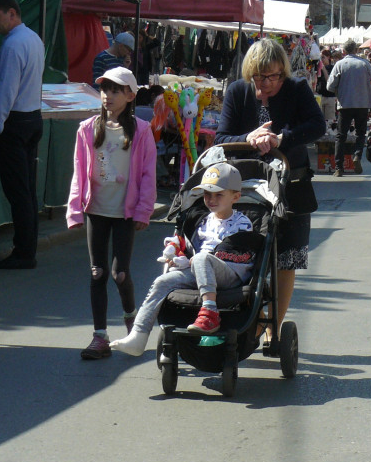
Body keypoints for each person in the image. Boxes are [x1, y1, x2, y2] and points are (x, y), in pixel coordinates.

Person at [216, 38, 325, 341]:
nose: (266, 83)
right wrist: (248, 137)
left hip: (292, 185)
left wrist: (280, 138)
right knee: (242, 253)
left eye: (273, 76)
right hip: (246, 189)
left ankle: (271, 324)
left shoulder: (297, 88)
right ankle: (243, 315)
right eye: (259, 77)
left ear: (283, 72)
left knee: (286, 258)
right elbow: (220, 138)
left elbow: (317, 125)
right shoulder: (238, 92)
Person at [111, 163, 256, 355]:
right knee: (163, 281)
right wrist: (178, 256)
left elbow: (240, 252)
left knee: (202, 258)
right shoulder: (202, 221)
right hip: (199, 269)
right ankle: (138, 335)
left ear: (235, 197)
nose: (211, 200)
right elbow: (189, 249)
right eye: (207, 194)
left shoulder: (243, 223)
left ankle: (210, 312)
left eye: (218, 194)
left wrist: (198, 259)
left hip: (230, 272)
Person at [67, 67, 157, 360]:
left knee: (119, 274)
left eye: (116, 90)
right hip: (97, 210)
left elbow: (147, 174)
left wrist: (144, 210)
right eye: (105, 90)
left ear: (130, 95)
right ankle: (100, 336)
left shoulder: (141, 131)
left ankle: (133, 321)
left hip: (125, 213)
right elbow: (79, 173)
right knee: (98, 272)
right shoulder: (87, 128)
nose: (108, 96)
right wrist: (75, 210)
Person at [0, 0, 45, 269]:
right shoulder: (32, 39)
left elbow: (6, 92)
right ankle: (27, 247)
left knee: (19, 191)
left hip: (14, 124)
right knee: (26, 190)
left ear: (12, 14)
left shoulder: (13, 46)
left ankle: (24, 252)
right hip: (31, 118)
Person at [327, 38, 371, 177]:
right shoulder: (366, 64)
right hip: (362, 104)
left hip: (345, 104)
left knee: (341, 136)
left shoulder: (340, 64)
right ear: (356, 50)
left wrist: (340, 89)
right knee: (360, 134)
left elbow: (330, 86)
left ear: (344, 51)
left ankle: (338, 167)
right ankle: (357, 155)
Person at [315, 48, 336, 131]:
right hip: (320, 95)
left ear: (328, 57)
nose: (321, 60)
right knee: (319, 119)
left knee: (329, 120)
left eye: (323, 57)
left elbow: (329, 81)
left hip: (330, 96)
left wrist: (323, 69)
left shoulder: (332, 68)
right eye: (320, 58)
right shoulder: (318, 67)